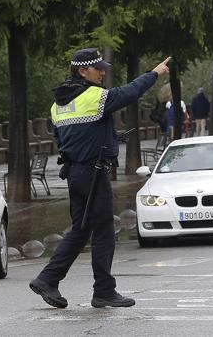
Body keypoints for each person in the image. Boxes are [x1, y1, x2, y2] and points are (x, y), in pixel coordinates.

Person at [29, 48, 169, 310]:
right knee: (105, 229)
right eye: (98, 68)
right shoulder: (94, 96)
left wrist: (107, 139)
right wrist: (154, 74)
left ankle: (48, 279)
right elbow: (129, 92)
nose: (103, 72)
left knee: (81, 229)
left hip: (74, 173)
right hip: (93, 172)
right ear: (82, 71)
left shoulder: (58, 104)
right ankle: (104, 291)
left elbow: (66, 138)